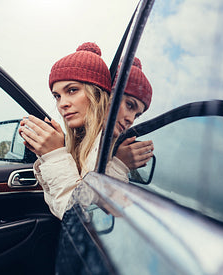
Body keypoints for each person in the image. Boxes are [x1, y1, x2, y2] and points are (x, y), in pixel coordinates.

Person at [19, 42, 153, 219]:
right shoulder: (83, 143)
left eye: (72, 90)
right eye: (57, 96)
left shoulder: (109, 148)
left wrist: (54, 155)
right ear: (108, 97)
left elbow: (81, 215)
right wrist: (48, 155)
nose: (62, 104)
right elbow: (61, 207)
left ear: (98, 95)